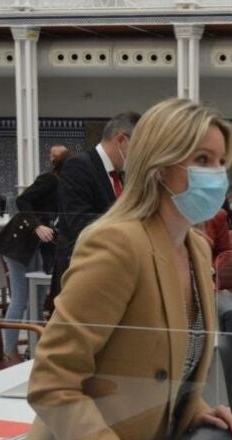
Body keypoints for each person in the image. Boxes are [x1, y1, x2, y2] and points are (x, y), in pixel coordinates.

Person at [0, 98, 232, 440]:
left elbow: (167, 364)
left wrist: (195, 409)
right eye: (201, 159)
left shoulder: (195, 247)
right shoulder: (116, 242)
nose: (216, 174)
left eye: (220, 161)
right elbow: (52, 382)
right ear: (160, 163)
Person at [48, 111, 141, 307]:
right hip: (82, 273)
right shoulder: (79, 166)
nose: (140, 155)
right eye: (139, 146)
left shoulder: (120, 174)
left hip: (110, 273)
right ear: (121, 140)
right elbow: (80, 224)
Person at [0, 145, 70, 362]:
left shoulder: (66, 185)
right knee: (21, 298)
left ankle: (34, 348)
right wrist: (37, 225)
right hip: (19, 242)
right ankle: (9, 351)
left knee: (37, 296)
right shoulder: (50, 180)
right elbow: (22, 200)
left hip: (36, 245)